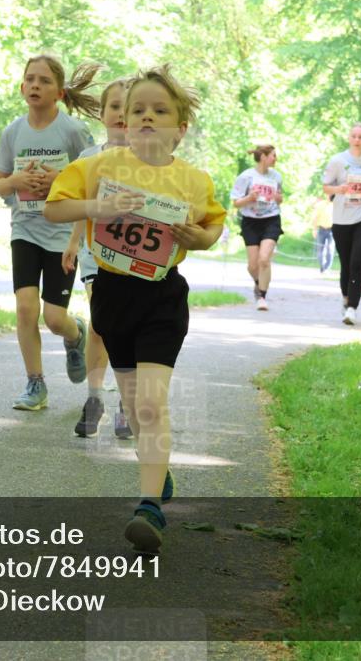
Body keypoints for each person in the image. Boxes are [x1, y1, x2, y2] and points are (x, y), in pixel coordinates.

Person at [45, 65, 225, 553]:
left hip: (162, 297)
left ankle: (149, 508)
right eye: (135, 110)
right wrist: (94, 211)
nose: (145, 117)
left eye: (159, 110)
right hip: (111, 295)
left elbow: (213, 228)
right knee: (135, 407)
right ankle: (157, 474)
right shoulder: (99, 168)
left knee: (149, 403)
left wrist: (199, 238)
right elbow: (54, 209)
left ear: (180, 129)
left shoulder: (192, 181)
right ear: (123, 122)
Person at [0, 56, 98, 411]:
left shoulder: (72, 132)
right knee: (26, 309)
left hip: (62, 235)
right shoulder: (11, 132)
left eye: (44, 81)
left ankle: (75, 334)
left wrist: (58, 181)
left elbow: (91, 184)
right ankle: (35, 383)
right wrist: (15, 182)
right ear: (22, 88)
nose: (35, 85)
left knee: (54, 318)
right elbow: (0, 184)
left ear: (60, 92)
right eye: (30, 80)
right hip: (24, 229)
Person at [65, 78, 133, 439]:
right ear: (103, 113)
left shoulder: (149, 159)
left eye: (128, 107)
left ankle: (126, 404)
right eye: (114, 107)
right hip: (96, 256)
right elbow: (77, 204)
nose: (121, 114)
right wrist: (73, 243)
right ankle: (95, 399)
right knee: (101, 324)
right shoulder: (88, 159)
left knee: (128, 328)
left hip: (136, 259)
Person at [322, 123, 361, 325]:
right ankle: (346, 298)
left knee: (358, 261)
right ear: (349, 138)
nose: (357, 140)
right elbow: (326, 188)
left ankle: (352, 308)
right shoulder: (338, 161)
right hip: (342, 218)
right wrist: (341, 189)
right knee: (346, 263)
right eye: (354, 136)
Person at [231, 145, 283, 310]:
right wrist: (249, 198)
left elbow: (280, 198)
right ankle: (258, 282)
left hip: (271, 219)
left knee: (264, 259)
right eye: (273, 155)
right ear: (263, 157)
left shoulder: (276, 176)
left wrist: (277, 197)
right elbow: (236, 203)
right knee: (252, 266)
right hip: (251, 221)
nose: (276, 159)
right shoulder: (246, 177)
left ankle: (262, 296)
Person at [311, 195, 334, 273]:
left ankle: (327, 267)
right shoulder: (321, 204)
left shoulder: (336, 205)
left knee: (330, 249)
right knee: (320, 249)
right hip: (321, 229)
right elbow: (315, 217)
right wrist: (314, 229)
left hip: (332, 230)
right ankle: (322, 266)